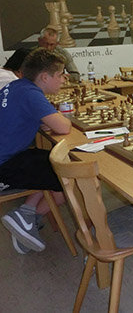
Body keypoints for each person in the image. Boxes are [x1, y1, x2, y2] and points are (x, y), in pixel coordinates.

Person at [0, 48, 71, 254]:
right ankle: (27, 215)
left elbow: (17, 116)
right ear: (44, 77)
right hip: (4, 166)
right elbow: (64, 127)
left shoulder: (17, 86)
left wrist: (40, 122)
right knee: (67, 176)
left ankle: (27, 218)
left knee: (53, 163)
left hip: (10, 156)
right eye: (60, 75)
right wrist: (51, 120)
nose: (64, 79)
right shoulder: (30, 93)